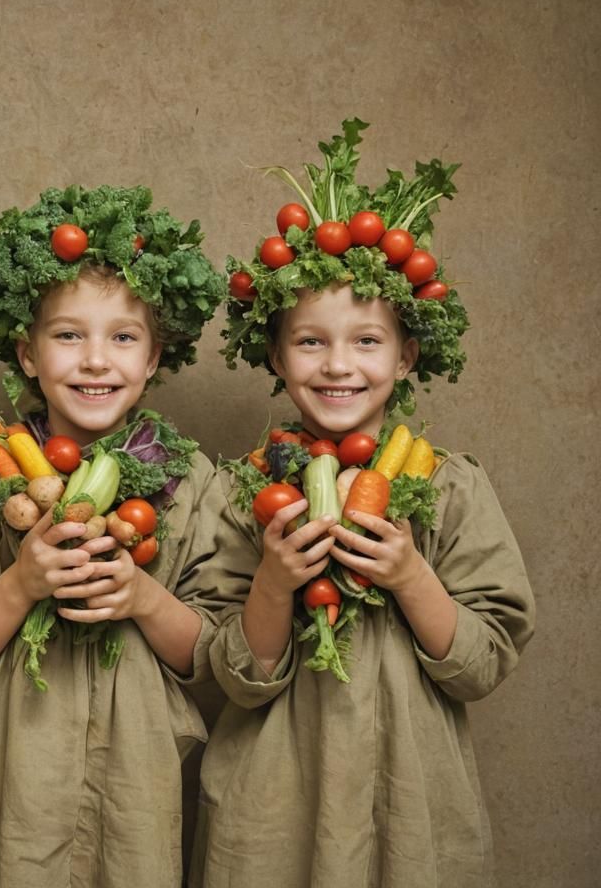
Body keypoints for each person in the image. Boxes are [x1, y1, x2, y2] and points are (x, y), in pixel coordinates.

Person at [190, 119, 536, 887]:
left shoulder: (451, 485)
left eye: (368, 343)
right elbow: (234, 674)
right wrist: (276, 582)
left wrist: (411, 574)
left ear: (407, 354)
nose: (338, 365)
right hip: (273, 805)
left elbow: (482, 665)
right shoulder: (243, 487)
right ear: (276, 356)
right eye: (310, 342)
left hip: (411, 807)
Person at [0, 185, 227, 887]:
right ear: (27, 353)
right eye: (68, 335)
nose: (96, 360)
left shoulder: (193, 481)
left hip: (129, 793)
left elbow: (218, 657)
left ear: (153, 358)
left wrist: (141, 596)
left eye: (124, 338)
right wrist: (20, 583)